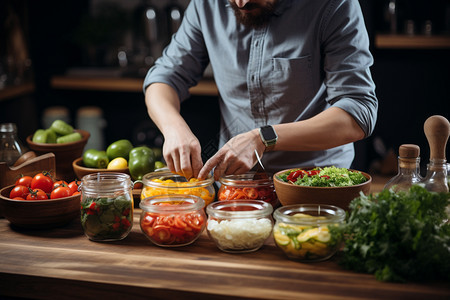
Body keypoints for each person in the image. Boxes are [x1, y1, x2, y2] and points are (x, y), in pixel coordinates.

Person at [143, 0, 378, 181]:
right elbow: (164, 78)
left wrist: (263, 137)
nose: (242, 3)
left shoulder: (332, 5)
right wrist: (174, 129)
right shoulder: (206, 5)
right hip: (234, 185)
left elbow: (358, 113)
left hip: (315, 184)